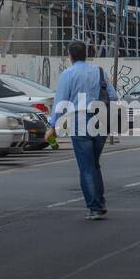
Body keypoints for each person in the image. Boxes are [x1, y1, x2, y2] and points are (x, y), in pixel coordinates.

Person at [46, 40, 118, 220]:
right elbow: (114, 96)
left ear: (69, 55)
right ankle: (99, 203)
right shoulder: (100, 71)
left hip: (80, 120)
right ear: (86, 54)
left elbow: (61, 101)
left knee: (86, 167)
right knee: (94, 164)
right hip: (101, 119)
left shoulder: (68, 74)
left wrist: (52, 126)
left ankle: (95, 207)